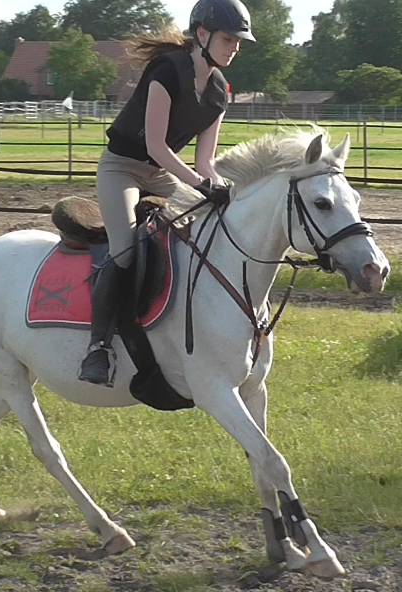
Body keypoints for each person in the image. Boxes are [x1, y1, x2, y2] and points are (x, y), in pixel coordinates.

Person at [78, 0, 256, 386]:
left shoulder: (220, 92)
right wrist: (198, 185)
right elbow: (156, 145)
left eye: (239, 41)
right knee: (124, 249)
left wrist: (221, 189)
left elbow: (205, 162)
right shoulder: (167, 70)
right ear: (203, 34)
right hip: (122, 169)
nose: (235, 47)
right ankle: (98, 347)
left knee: (208, 229)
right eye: (229, 39)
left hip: (161, 175)